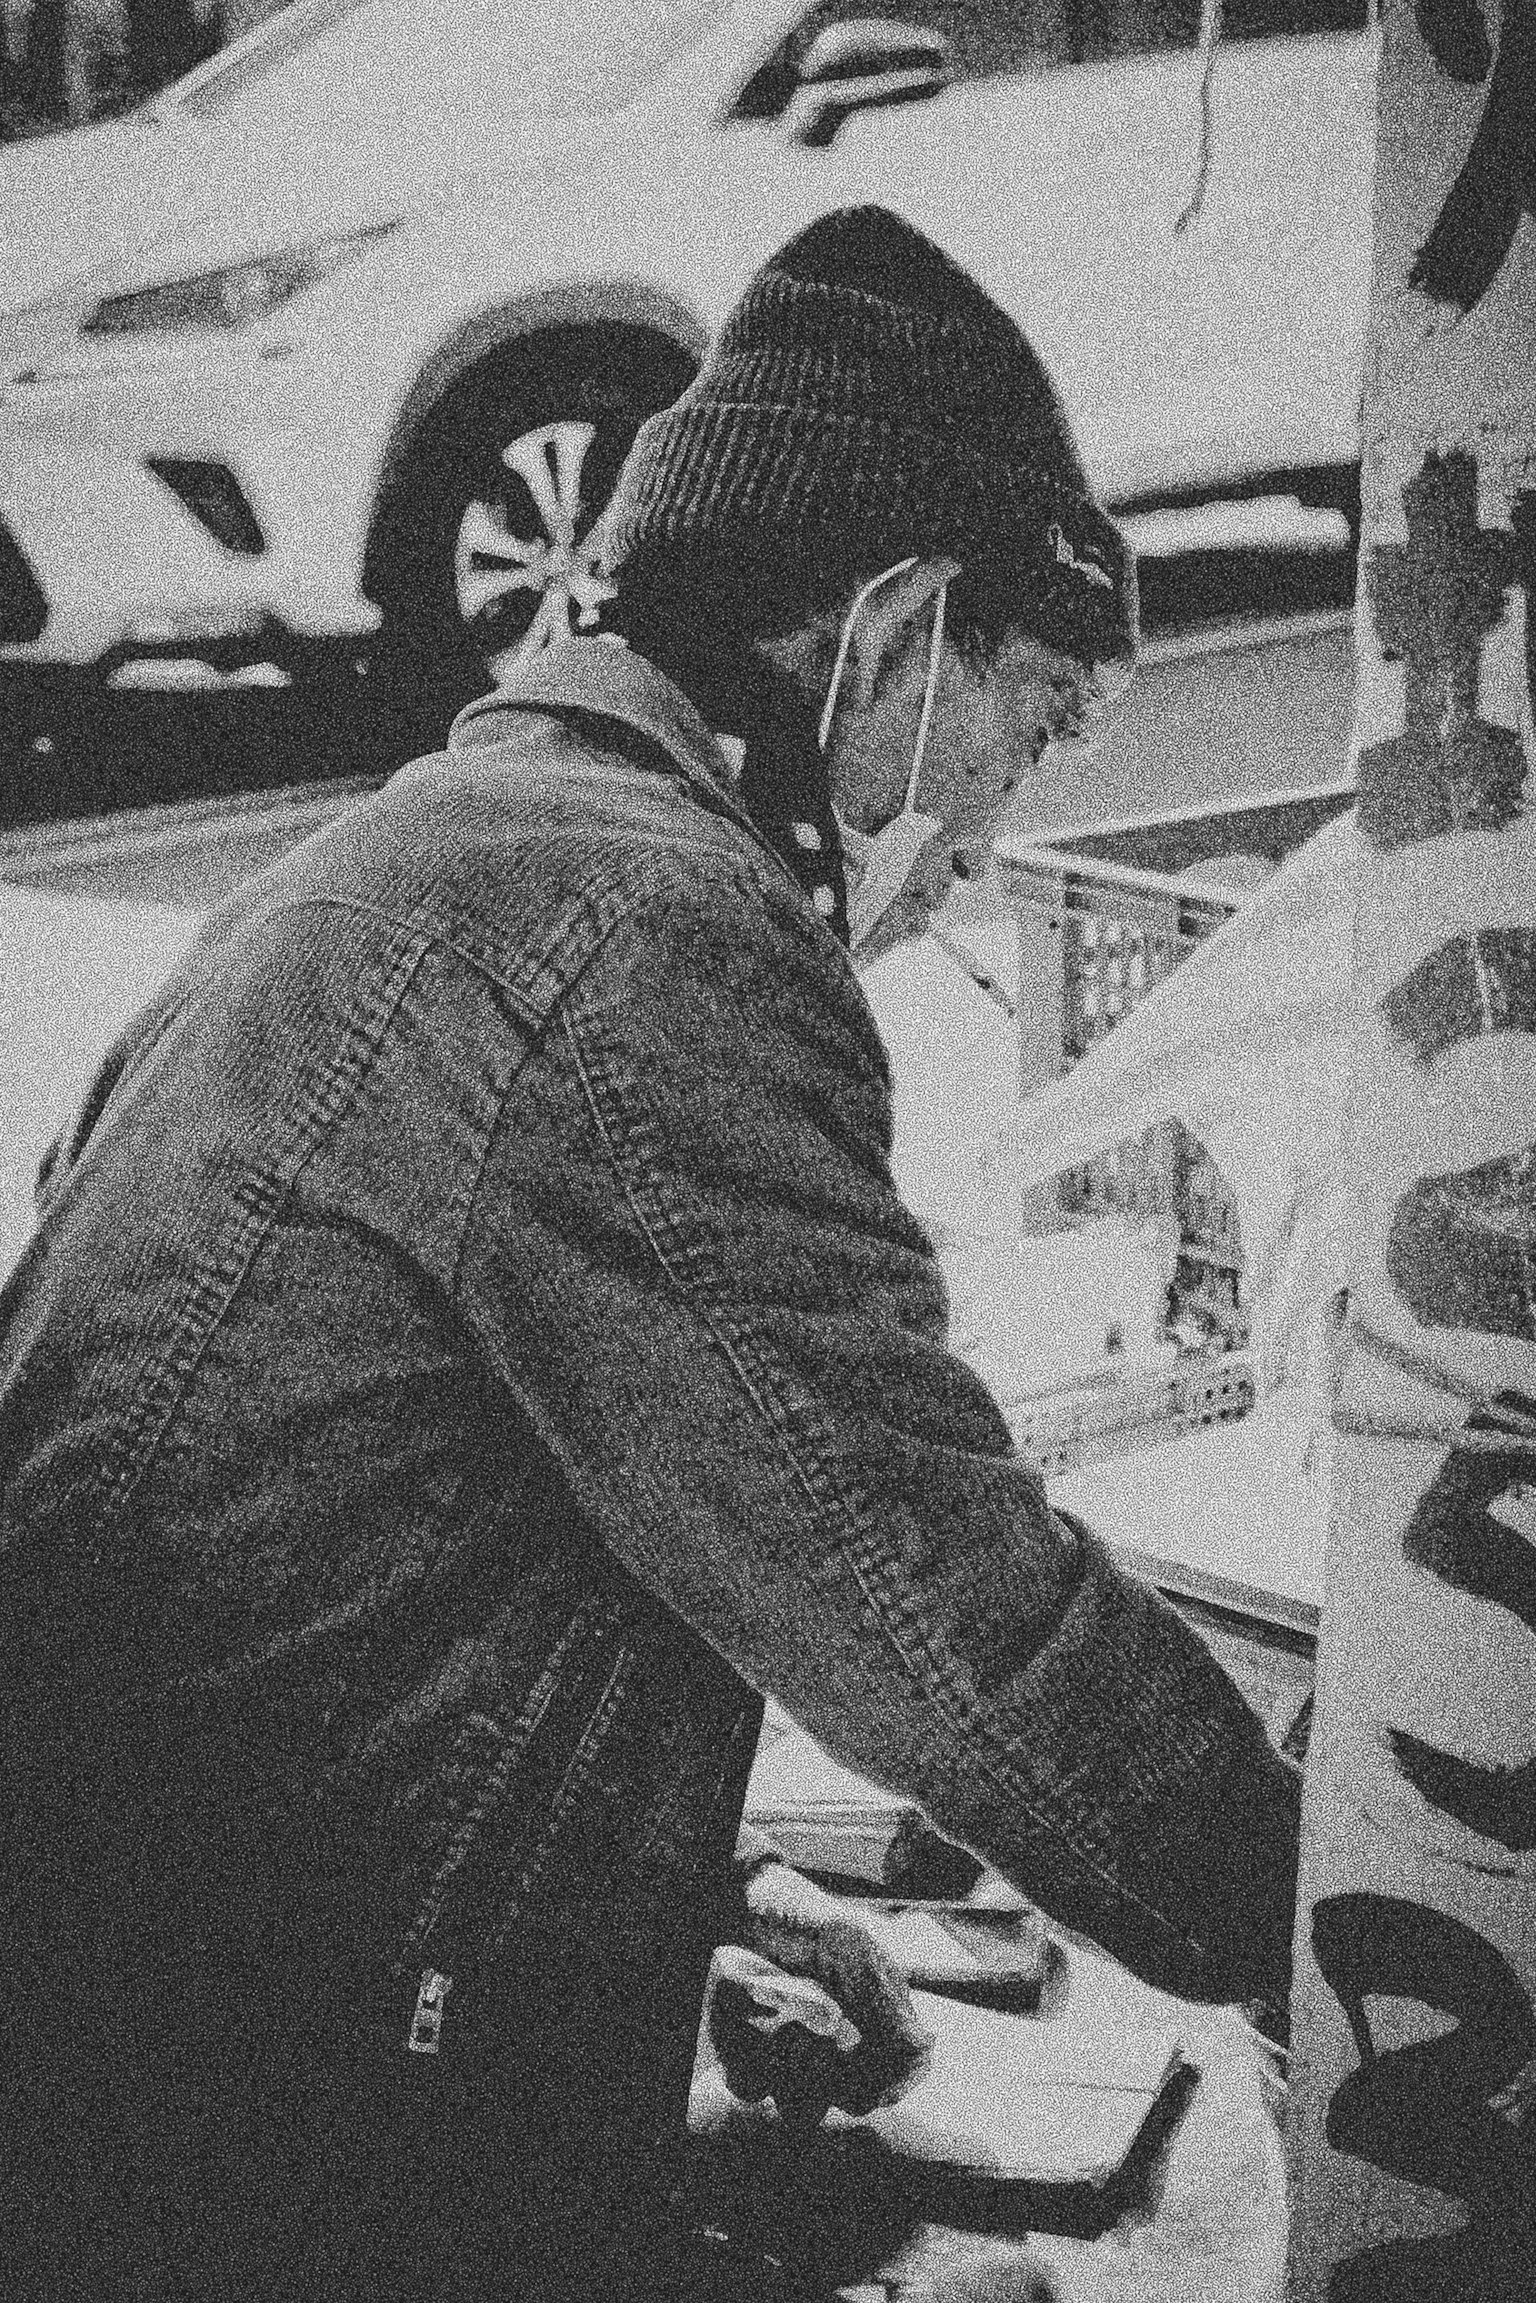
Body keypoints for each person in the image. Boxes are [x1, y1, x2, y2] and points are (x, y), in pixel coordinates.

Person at [0, 208, 1300, 2301]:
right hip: (247, 2150)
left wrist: (689, 1908)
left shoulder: (396, 861)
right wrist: (1369, 1931)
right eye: (1031, 730)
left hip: (122, 2036)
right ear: (889, 634)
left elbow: (327, 1574)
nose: (982, 836)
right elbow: (930, 1600)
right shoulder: (654, 940)